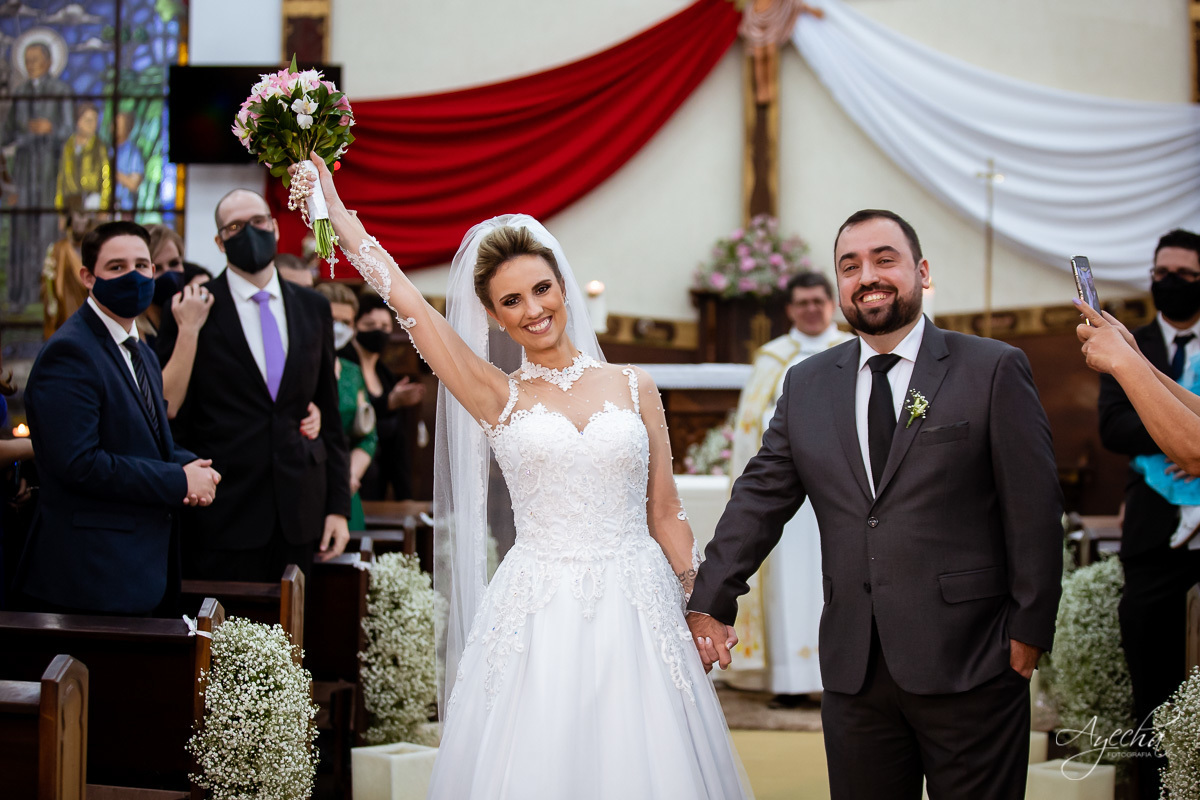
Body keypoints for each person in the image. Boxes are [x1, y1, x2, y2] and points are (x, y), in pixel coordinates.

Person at [298, 157, 750, 799]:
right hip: (540, 607)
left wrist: (701, 606)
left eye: (541, 289)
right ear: (493, 316)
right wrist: (338, 217)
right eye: (512, 301)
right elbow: (407, 303)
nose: (533, 310)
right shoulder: (494, 394)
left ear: (562, 286)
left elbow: (666, 511)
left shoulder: (634, 385)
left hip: (639, 603)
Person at [689, 209, 1062, 800]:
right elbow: (760, 497)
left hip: (973, 660)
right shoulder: (808, 383)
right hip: (854, 669)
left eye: (884, 259)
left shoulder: (991, 368)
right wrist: (711, 601)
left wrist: (1029, 631)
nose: (868, 276)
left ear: (921, 270)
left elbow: (1036, 509)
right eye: (850, 265)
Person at [15, 221, 220, 615]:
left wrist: (188, 463)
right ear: (88, 277)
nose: (134, 276)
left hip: (138, 566)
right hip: (89, 574)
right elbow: (79, 463)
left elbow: (141, 437)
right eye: (117, 267)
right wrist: (177, 480)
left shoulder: (138, 347)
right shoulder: (71, 353)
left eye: (143, 265)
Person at [156, 189, 349, 581]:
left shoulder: (313, 308)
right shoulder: (192, 307)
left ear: (275, 227)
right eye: (235, 226)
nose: (250, 232)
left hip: (300, 510)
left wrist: (337, 508)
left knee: (297, 634)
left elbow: (328, 414)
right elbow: (172, 416)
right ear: (219, 241)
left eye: (258, 222)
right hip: (223, 513)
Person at [1088, 227, 1200, 799]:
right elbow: (1116, 427)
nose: (1169, 284)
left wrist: (1189, 445)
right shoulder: (1146, 345)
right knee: (1151, 675)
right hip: (1158, 531)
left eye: (1184, 275)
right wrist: (1134, 362)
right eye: (1161, 273)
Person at [725, 271, 851, 705]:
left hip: (838, 493)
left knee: (834, 579)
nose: (812, 308)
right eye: (803, 302)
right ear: (790, 309)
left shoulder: (854, 349)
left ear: (831, 303)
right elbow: (751, 428)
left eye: (819, 300)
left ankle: (836, 676)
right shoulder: (772, 359)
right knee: (787, 586)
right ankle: (791, 680)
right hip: (786, 494)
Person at [1, 41, 73, 310]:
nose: (31, 65)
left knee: (45, 235)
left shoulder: (61, 91)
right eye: (27, 60)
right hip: (22, 172)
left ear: (49, 62)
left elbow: (70, 133)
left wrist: (50, 129)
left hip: (49, 175)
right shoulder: (19, 92)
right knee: (21, 234)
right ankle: (21, 296)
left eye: (36, 59)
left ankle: (48, 297)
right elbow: (7, 133)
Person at [339, 290, 425, 502]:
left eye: (385, 327)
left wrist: (405, 497)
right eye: (369, 326)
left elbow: (396, 434)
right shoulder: (343, 363)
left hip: (381, 474)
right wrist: (391, 402)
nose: (378, 332)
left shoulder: (384, 373)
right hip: (351, 471)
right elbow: (350, 412)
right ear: (354, 326)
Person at [315, 282, 377, 531]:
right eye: (332, 319)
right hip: (310, 481)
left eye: (347, 322)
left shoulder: (352, 372)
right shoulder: (300, 369)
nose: (338, 328)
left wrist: (351, 474)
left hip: (346, 485)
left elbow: (367, 433)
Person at [41, 198, 91, 337]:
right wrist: (51, 302)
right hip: (64, 312)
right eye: (76, 222)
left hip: (87, 310)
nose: (80, 225)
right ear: (70, 224)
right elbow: (48, 281)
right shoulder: (58, 250)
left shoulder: (91, 250)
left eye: (84, 221)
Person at [55, 103, 110, 212]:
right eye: (88, 120)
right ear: (78, 122)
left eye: (95, 120)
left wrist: (104, 207)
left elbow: (106, 178)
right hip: (71, 202)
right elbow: (62, 177)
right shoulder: (68, 146)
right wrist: (60, 207)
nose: (92, 125)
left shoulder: (99, 147)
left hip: (92, 202)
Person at [113, 111, 144, 212]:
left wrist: (112, 173)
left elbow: (134, 184)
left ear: (128, 128)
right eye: (114, 123)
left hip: (124, 208)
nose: (114, 127)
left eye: (119, 124)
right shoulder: (108, 150)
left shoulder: (133, 153)